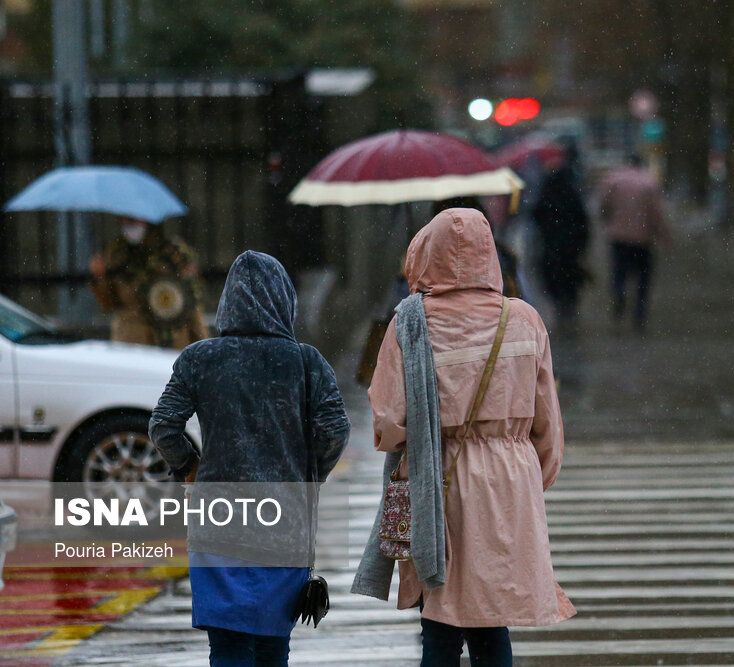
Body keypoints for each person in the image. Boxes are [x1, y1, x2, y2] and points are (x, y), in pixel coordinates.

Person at [353, 208, 575, 666]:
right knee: (492, 620)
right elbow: (547, 423)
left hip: (440, 478)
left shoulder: (410, 323)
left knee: (440, 619)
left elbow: (390, 423)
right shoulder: (524, 319)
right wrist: (531, 476)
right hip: (510, 479)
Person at [149, 251, 351, 666]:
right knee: (273, 643)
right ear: (285, 300)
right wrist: (308, 474)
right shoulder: (306, 361)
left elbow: (163, 426)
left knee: (227, 645)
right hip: (285, 523)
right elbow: (334, 431)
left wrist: (191, 468)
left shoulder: (199, 358)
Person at [89, 217, 210, 348]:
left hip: (174, 337)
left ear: (148, 221)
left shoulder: (174, 254)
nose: (129, 227)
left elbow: (192, 302)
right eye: (125, 222)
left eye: (133, 221)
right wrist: (100, 277)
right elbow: (109, 302)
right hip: (132, 339)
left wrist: (202, 342)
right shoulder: (116, 256)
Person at [597, 154, 671, 331]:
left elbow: (603, 206)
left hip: (618, 237)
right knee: (643, 278)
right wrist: (664, 235)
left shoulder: (612, 181)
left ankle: (619, 296)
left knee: (619, 272)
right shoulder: (648, 183)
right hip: (642, 239)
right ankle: (639, 311)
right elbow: (656, 213)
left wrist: (609, 221)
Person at [531, 144, 590, 332]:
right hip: (570, 246)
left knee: (553, 276)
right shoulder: (571, 193)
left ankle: (560, 305)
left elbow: (536, 215)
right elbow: (582, 220)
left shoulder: (547, 193)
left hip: (552, 245)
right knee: (569, 277)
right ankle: (568, 305)